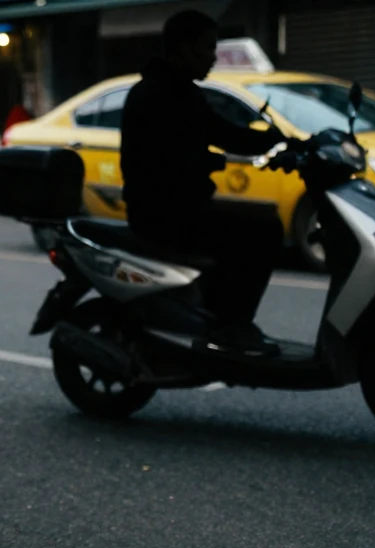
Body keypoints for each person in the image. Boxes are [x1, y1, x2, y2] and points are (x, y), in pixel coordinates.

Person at [120, 9, 286, 356]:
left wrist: (278, 141)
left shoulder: (183, 93)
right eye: (207, 48)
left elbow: (224, 132)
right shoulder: (156, 95)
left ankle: (217, 313)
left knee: (259, 221)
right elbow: (171, 158)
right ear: (182, 49)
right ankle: (230, 323)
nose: (214, 57)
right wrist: (215, 159)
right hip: (163, 214)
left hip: (182, 208)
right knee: (264, 230)